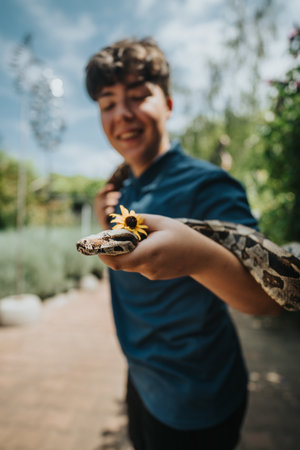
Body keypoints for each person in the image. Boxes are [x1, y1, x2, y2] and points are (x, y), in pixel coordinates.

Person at [85, 37, 280, 450]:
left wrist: (198, 256)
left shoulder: (208, 184)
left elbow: (267, 300)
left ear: (169, 104)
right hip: (140, 377)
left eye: (139, 96)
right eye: (107, 104)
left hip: (198, 397)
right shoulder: (125, 187)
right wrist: (106, 217)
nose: (122, 114)